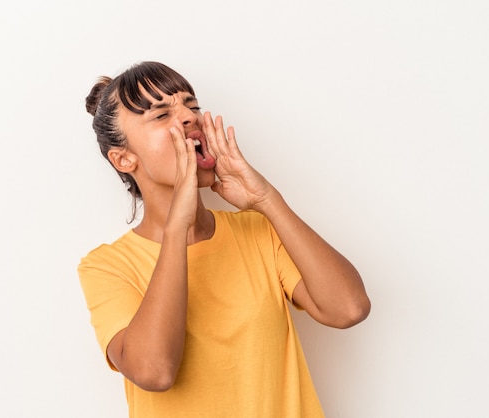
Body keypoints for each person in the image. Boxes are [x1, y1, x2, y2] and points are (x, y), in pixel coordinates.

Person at [78, 61, 371, 417]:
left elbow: (349, 309)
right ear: (124, 158)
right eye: (160, 115)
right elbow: (154, 371)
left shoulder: (257, 231)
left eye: (192, 106)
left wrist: (267, 201)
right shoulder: (107, 267)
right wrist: (177, 229)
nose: (188, 117)